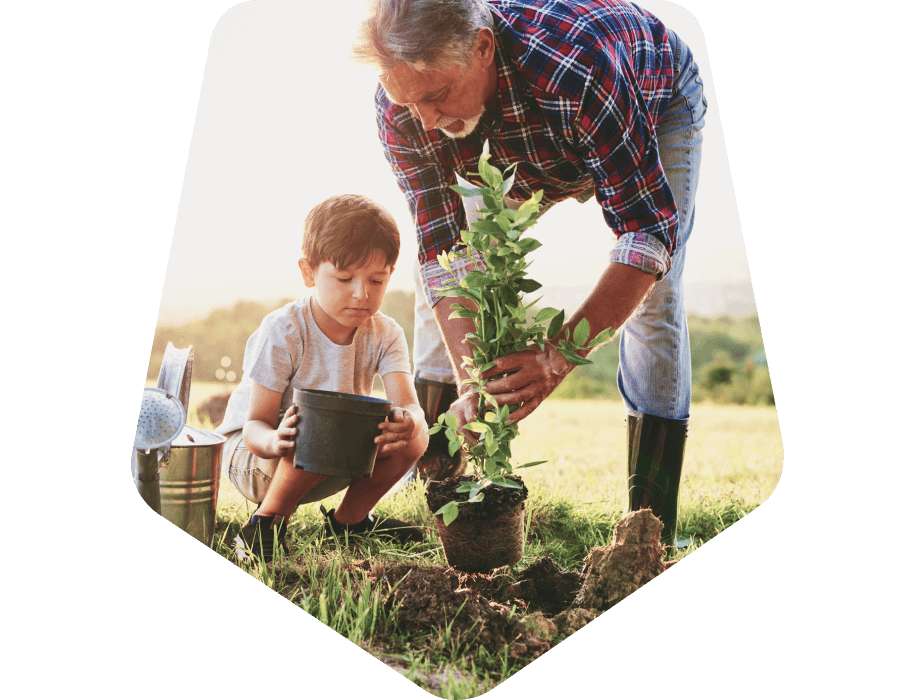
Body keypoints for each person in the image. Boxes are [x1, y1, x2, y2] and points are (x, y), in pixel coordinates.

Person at [352, 0, 707, 549]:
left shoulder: (579, 69)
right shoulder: (404, 107)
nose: (422, 119)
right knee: (449, 281)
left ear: (483, 48)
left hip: (648, 102)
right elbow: (443, 251)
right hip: (525, 143)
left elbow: (646, 236)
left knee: (656, 300)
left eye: (436, 95)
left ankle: (649, 529)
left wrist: (555, 357)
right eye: (407, 100)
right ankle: (440, 490)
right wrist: (474, 378)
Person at [215, 194, 429, 562]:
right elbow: (253, 426)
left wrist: (409, 421)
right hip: (258, 459)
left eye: (376, 280)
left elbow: (409, 404)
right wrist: (276, 439)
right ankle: (264, 525)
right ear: (309, 272)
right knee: (321, 421)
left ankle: (349, 522)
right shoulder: (284, 330)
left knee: (417, 432)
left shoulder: (386, 333)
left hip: (331, 455)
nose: (361, 294)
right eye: (345, 278)